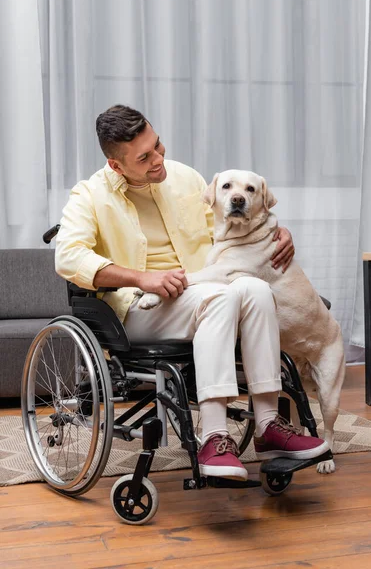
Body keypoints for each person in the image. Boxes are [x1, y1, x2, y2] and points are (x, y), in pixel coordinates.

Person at [55, 105, 328, 481]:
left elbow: (230, 228)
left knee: (254, 287)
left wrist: (274, 232)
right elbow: (68, 257)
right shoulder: (89, 196)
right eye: (144, 157)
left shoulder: (185, 178)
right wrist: (142, 278)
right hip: (139, 311)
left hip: (205, 292)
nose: (159, 159)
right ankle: (214, 436)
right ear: (117, 166)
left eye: (158, 145)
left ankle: (267, 423)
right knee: (224, 296)